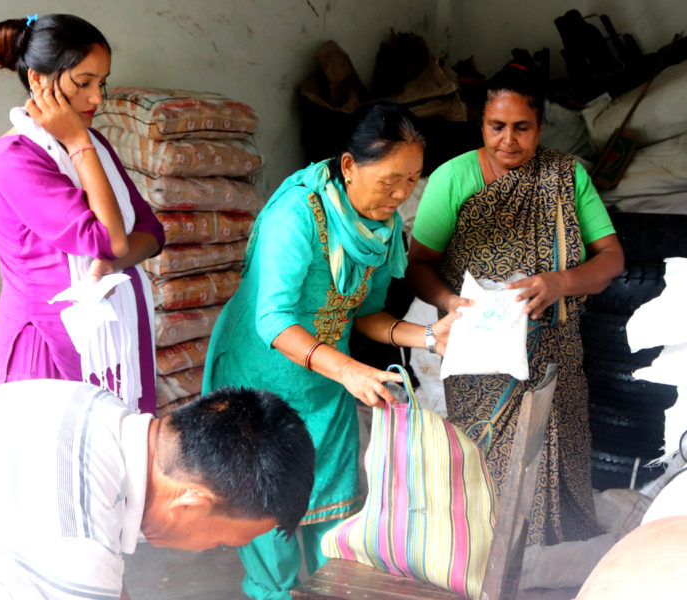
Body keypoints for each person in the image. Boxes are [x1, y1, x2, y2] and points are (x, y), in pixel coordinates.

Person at [202, 101, 460, 599]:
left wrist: (430, 336)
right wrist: (348, 371)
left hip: (326, 380)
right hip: (261, 380)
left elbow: (366, 313)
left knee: (332, 512)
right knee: (267, 510)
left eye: (412, 180)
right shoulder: (297, 216)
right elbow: (273, 319)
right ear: (349, 165)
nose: (401, 194)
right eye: (390, 180)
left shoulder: (383, 228)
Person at [406, 63, 625, 546]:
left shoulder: (565, 177)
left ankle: (549, 563)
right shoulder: (453, 178)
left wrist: (561, 281)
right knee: (486, 471)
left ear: (541, 127)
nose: (508, 140)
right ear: (481, 125)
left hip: (556, 353)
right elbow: (418, 266)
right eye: (496, 126)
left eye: (522, 127)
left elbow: (611, 259)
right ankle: (485, 560)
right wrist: (449, 302)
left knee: (557, 464)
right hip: (480, 355)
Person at [0, 378, 315, 600]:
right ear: (191, 504)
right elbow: (86, 563)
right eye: (222, 541)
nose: (213, 548)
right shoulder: (79, 543)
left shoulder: (94, 404)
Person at [0, 14, 165, 413]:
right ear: (37, 80)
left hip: (112, 344)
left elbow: (151, 232)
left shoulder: (94, 146)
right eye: (83, 83)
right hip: (45, 354)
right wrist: (79, 142)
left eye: (102, 83)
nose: (96, 98)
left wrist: (109, 263)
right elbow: (112, 238)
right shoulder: (15, 158)